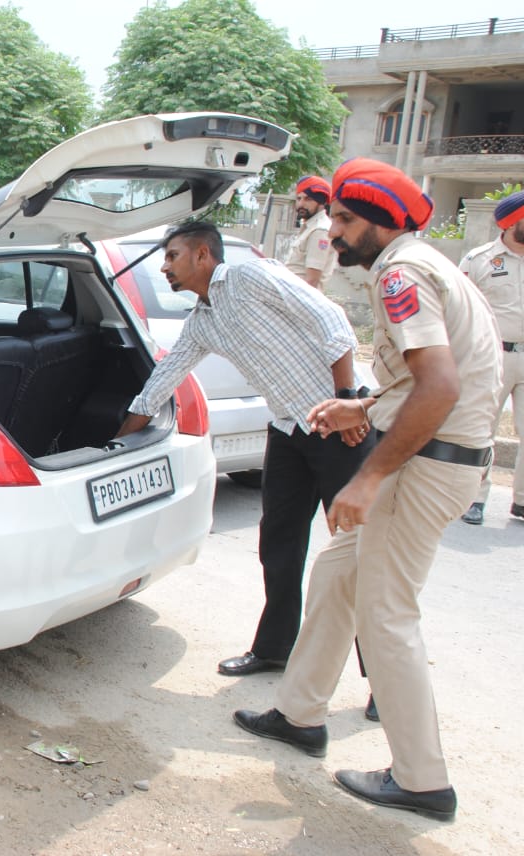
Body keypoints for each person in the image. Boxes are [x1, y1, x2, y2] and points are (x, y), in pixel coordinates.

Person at [234, 158, 501, 823]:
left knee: (387, 613)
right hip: (440, 452)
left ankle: (421, 780)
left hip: (429, 464)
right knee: (335, 575)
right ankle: (299, 714)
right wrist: (366, 406)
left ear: (382, 222)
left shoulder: (402, 274)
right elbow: (426, 378)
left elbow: (440, 387)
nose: (333, 234)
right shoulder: (417, 264)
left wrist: (370, 476)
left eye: (347, 221)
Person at [115, 221, 369, 680]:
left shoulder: (252, 277)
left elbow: (330, 318)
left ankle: (384, 681)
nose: (165, 266)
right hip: (290, 431)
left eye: (172, 255)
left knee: (360, 553)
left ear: (202, 255)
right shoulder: (201, 323)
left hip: (340, 425)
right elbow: (161, 381)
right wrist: (119, 439)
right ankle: (274, 650)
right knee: (279, 545)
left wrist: (348, 399)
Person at [458, 189, 524, 525]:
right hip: (492, 356)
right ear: (514, 222)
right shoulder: (478, 260)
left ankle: (522, 502)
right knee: (483, 428)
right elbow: (458, 310)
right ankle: (475, 498)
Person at [284, 175, 337, 289]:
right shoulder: (309, 227)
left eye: (308, 199)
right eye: (299, 199)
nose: (301, 204)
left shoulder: (320, 230)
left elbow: (312, 280)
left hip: (300, 299)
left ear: (321, 203)